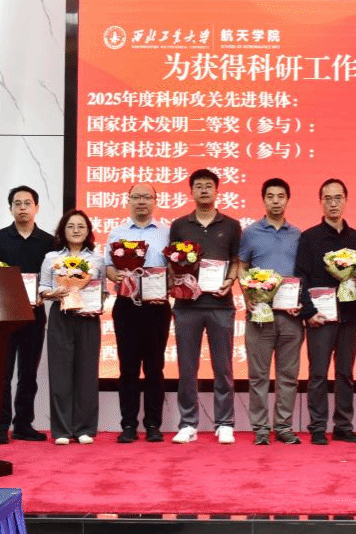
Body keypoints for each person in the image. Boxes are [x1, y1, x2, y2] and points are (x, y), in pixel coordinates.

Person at [169, 169, 241, 445]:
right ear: (191, 192)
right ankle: (188, 423)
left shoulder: (231, 225)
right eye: (198, 186)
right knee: (187, 368)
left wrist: (230, 281)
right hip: (187, 305)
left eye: (208, 186)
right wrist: (178, 280)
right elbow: (172, 261)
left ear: (216, 190)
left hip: (221, 305)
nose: (203, 190)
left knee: (223, 367)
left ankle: (225, 423)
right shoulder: (180, 225)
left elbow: (236, 260)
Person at [0, 185, 56, 444]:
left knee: (28, 373)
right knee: (2, 374)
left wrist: (47, 292)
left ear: (37, 207)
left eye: (27, 203)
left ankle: (23, 424)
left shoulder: (49, 242)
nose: (23, 208)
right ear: (10, 208)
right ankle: (0, 425)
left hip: (34, 315)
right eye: (17, 203)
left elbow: (54, 277)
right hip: (4, 317)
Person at [296, 178, 356, 445]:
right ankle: (317, 426)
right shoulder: (309, 237)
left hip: (349, 315)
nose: (333, 203)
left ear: (346, 201)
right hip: (321, 316)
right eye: (328, 198)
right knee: (318, 373)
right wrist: (309, 313)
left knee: (345, 373)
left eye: (338, 198)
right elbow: (301, 277)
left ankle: (343, 426)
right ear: (321, 202)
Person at [238, 177, 304, 446]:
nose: (275, 201)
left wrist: (302, 300)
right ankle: (261, 429)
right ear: (263, 200)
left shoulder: (298, 234)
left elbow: (304, 273)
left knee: (288, 376)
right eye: (270, 196)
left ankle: (284, 427)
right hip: (259, 316)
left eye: (280, 196)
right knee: (258, 376)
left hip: (291, 317)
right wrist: (247, 296)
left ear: (287, 200)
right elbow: (241, 267)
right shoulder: (250, 233)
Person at [105, 183, 171, 444]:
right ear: (128, 200)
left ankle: (153, 424)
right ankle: (128, 424)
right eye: (137, 197)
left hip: (156, 306)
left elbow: (173, 268)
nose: (141, 201)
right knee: (128, 368)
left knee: (155, 368)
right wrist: (117, 275)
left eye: (147, 197)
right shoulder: (116, 232)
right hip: (126, 306)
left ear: (155, 200)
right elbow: (109, 268)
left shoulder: (166, 232)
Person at [38, 210, 106, 445]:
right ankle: (62, 431)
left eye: (81, 226)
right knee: (60, 375)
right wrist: (54, 293)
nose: (76, 230)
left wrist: (96, 299)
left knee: (87, 374)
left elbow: (104, 290)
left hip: (88, 318)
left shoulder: (98, 260)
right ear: (63, 230)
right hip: (62, 315)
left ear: (88, 231)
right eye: (71, 226)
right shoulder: (51, 258)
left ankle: (85, 428)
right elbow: (42, 288)